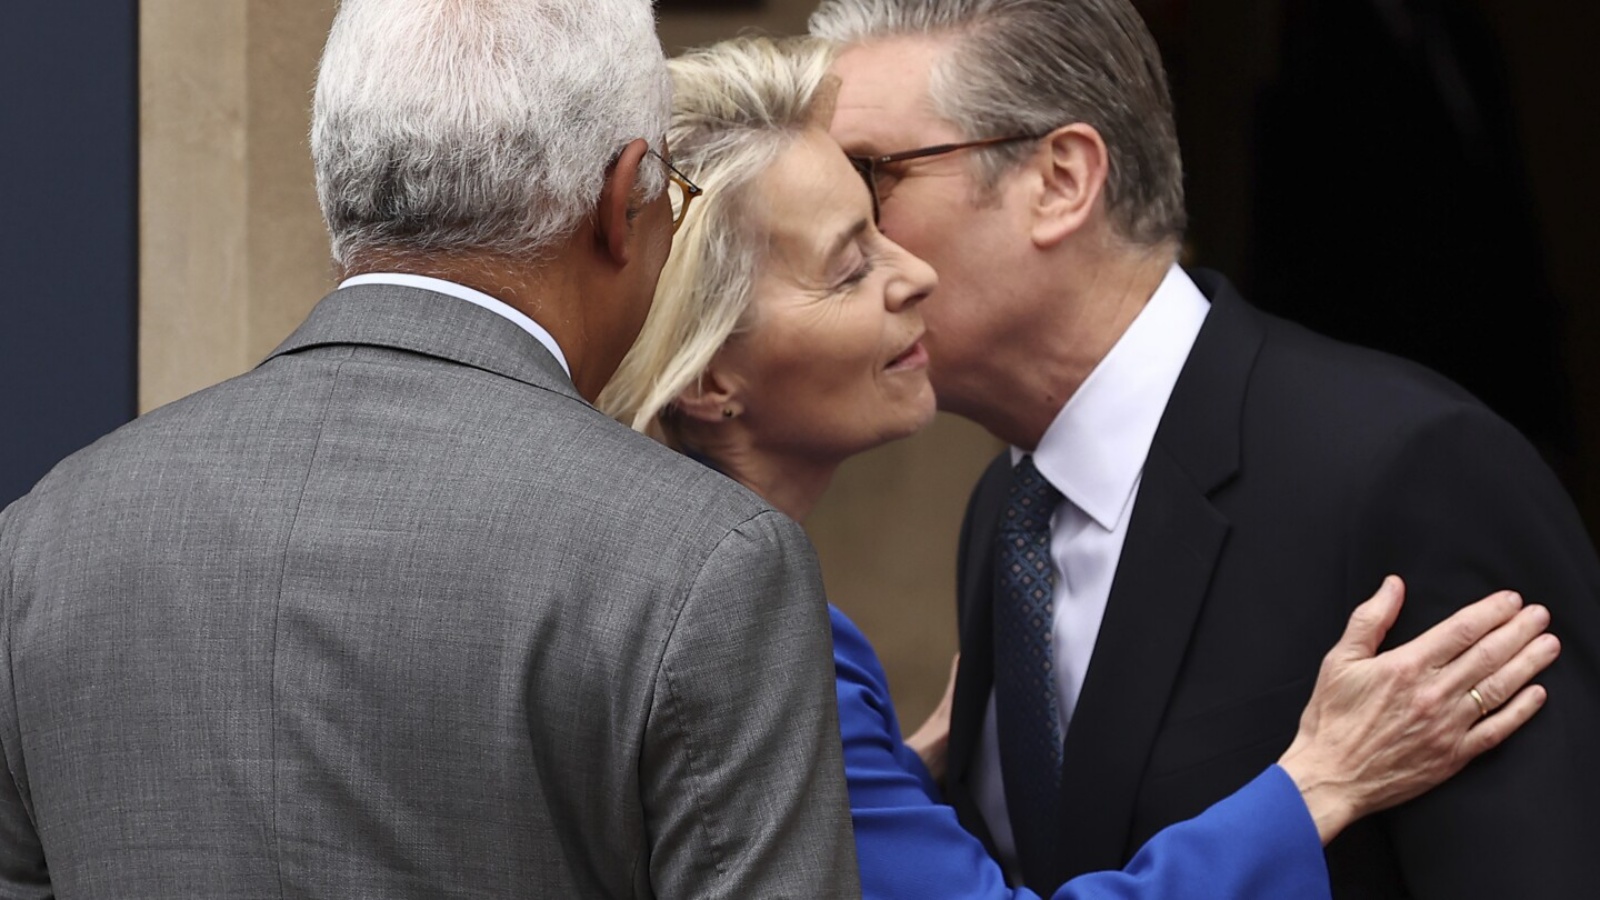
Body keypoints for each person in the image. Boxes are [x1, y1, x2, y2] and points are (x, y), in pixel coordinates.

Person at [598, 34, 1560, 900]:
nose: (909, 273)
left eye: (881, 185)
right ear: (710, 377)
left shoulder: (1407, 463)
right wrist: (1315, 788)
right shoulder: (762, 616)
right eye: (850, 263)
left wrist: (884, 779)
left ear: (1063, 180)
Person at [0, 3, 858, 897]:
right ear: (620, 203)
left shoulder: (41, 544)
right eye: (670, 197)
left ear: (338, 181)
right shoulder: (704, 563)